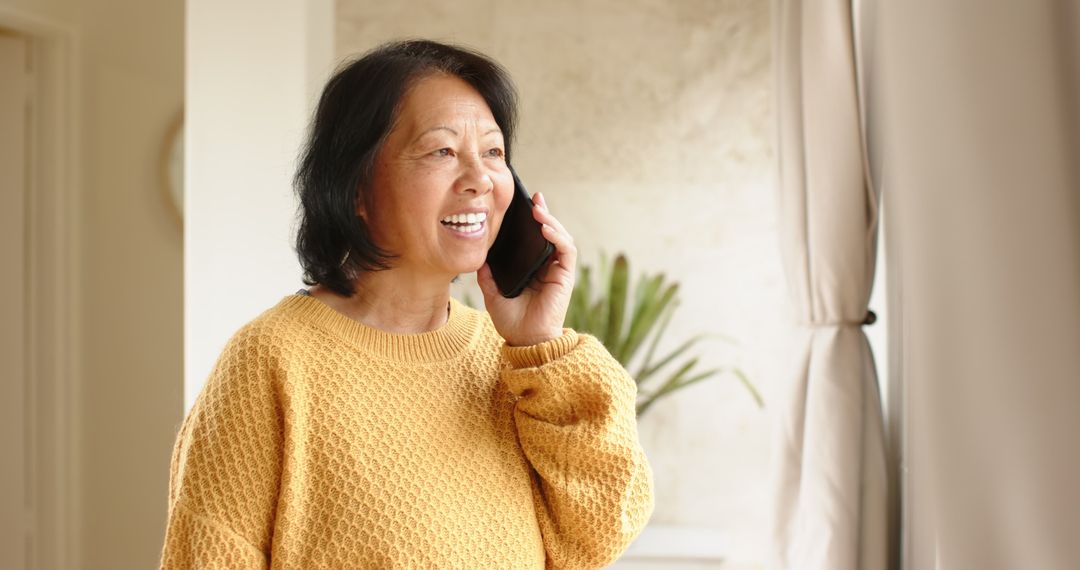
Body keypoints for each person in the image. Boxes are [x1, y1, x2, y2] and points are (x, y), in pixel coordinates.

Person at [159, 39, 654, 569]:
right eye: (442, 151)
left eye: (493, 153)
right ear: (356, 188)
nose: (480, 180)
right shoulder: (270, 361)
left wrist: (539, 348)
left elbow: (601, 532)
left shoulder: (516, 363)